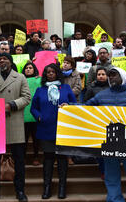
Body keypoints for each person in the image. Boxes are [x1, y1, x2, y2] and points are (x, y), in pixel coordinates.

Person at [86, 67, 126, 202]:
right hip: (110, 140)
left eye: (114, 75)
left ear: (123, 76)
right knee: (111, 173)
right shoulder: (101, 95)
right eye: (110, 75)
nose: (111, 77)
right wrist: (69, 107)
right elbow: (86, 107)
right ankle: (114, 199)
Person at [0, 52, 31, 202]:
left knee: (19, 159)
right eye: (0, 59)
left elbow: (27, 97)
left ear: (10, 62)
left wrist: (12, 105)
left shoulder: (20, 77)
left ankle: (20, 191)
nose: (2, 61)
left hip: (14, 121)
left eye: (5, 59)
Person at [31, 63, 76, 199]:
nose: (50, 74)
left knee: (62, 158)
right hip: (46, 128)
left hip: (63, 128)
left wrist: (69, 106)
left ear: (57, 73)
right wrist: (39, 116)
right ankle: (47, 188)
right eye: (47, 72)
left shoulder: (66, 88)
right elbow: (33, 108)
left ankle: (62, 188)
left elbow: (74, 105)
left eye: (52, 72)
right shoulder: (40, 90)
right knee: (48, 159)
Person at [21, 62, 40, 166]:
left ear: (34, 70)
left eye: (30, 68)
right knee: (24, 138)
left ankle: (36, 157)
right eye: (26, 68)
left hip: (35, 113)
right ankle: (23, 158)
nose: (28, 69)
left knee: (36, 138)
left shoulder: (39, 80)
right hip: (23, 113)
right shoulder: (19, 80)